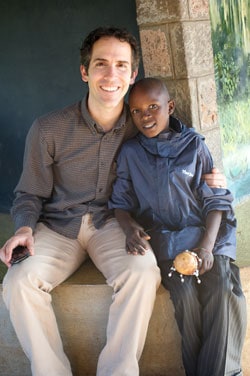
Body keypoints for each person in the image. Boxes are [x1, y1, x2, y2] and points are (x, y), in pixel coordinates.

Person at [0, 27, 226, 376]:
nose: (111, 74)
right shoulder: (48, 129)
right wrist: (24, 229)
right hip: (58, 227)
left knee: (141, 272)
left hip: (114, 225)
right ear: (84, 72)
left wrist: (214, 177)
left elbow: (182, 147)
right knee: (18, 281)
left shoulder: (143, 122)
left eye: (121, 65)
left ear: (133, 74)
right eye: (101, 64)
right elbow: (29, 193)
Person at [109, 77, 247, 376]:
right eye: (136, 111)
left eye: (153, 107)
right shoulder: (131, 154)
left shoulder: (194, 146)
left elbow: (214, 202)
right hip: (167, 242)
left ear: (170, 107)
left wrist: (207, 249)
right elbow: (120, 202)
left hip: (207, 236)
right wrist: (129, 227)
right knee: (184, 297)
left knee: (222, 287)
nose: (145, 116)